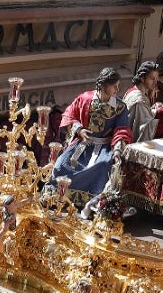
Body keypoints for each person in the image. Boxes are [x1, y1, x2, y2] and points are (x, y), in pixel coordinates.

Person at [51, 68, 132, 198]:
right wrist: (79, 130)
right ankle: (57, 195)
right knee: (61, 163)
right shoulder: (85, 99)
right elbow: (69, 115)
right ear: (104, 85)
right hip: (83, 144)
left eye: (118, 86)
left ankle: (91, 201)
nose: (117, 90)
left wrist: (117, 150)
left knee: (102, 165)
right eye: (114, 86)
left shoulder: (120, 107)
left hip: (104, 148)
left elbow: (122, 130)